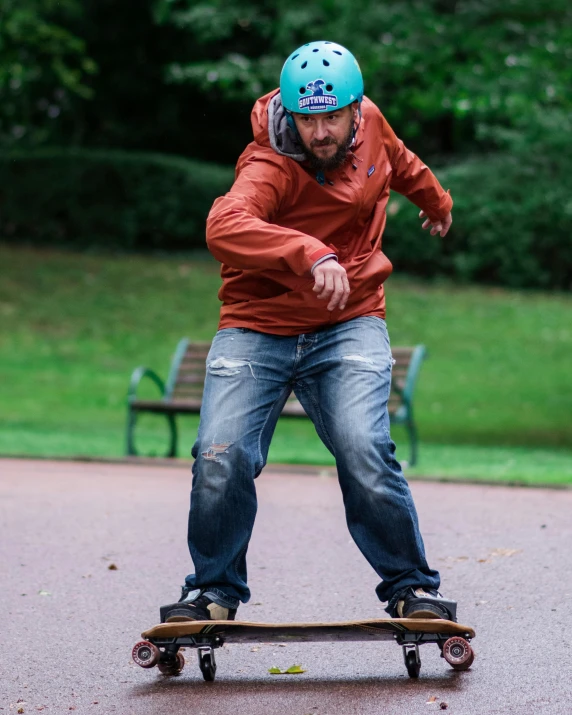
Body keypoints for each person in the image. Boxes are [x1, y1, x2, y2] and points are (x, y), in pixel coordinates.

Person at [160, 40, 457, 624]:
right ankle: (213, 592)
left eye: (330, 117)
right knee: (220, 455)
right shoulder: (268, 163)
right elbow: (225, 224)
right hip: (258, 323)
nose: (318, 132)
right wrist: (308, 252)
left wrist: (436, 199)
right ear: (290, 113)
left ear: (354, 109)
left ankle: (411, 588)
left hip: (350, 321)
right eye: (306, 118)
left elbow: (399, 160)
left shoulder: (371, 124)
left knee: (364, 448)